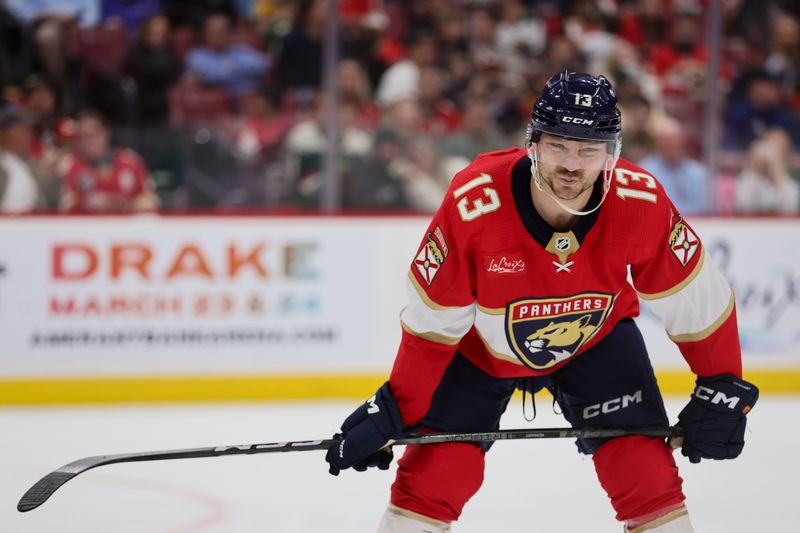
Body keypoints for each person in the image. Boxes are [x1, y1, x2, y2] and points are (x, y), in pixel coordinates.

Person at [324, 71, 758, 533]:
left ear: (611, 154)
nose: (572, 164)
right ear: (533, 143)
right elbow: (435, 322)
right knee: (435, 476)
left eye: (588, 149)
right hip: (480, 352)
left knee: (644, 472)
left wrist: (722, 386)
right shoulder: (475, 202)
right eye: (559, 145)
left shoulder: (640, 201)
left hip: (597, 343)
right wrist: (398, 409)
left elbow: (699, 301)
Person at [59, 109, 157, 213]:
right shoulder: (70, 165)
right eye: (81, 137)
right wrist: (83, 203)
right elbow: (64, 205)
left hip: (125, 226)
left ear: (105, 133)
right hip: (88, 227)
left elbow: (151, 202)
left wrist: (118, 204)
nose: (86, 143)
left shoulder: (130, 161)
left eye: (90, 136)